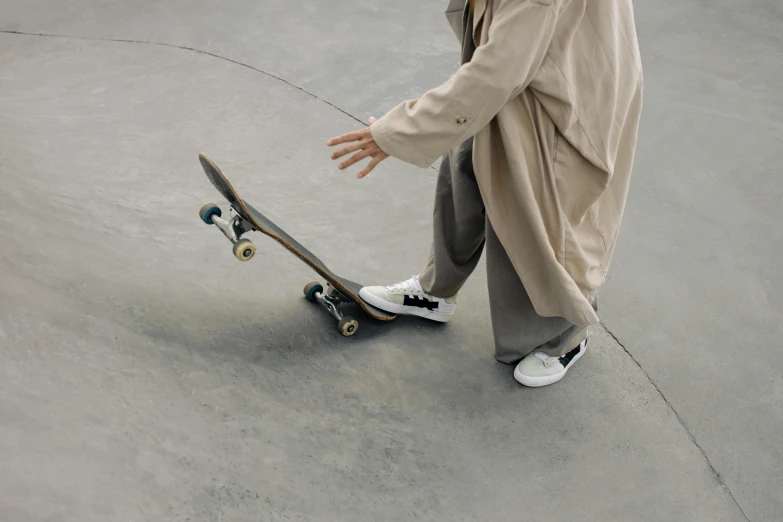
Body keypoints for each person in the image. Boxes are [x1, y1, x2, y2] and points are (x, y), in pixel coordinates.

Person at [326, 0, 643, 387]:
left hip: (570, 85)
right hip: (538, 56)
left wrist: (397, 132)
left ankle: (564, 335)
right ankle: (436, 291)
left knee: (537, 205)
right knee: (469, 161)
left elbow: (496, 72)